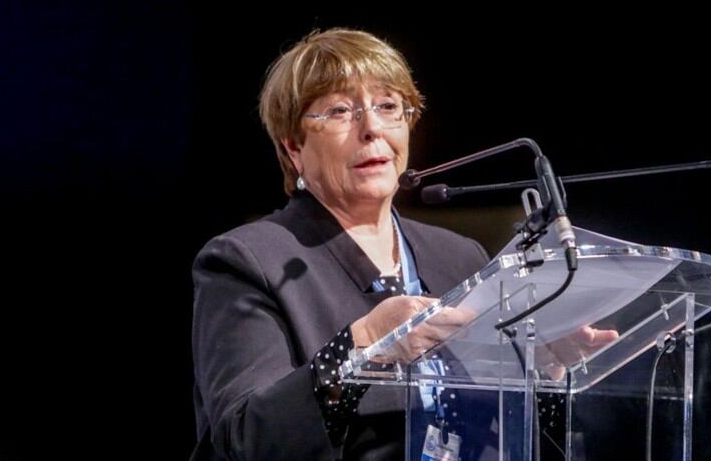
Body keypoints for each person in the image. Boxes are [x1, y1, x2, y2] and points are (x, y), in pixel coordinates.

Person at [190, 28, 615, 460]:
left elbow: (502, 435)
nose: (372, 128)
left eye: (388, 106)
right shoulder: (249, 261)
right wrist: (365, 344)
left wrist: (543, 373)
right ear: (294, 147)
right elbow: (242, 439)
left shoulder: (460, 256)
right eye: (340, 111)